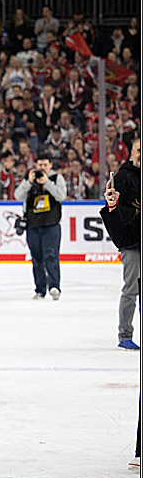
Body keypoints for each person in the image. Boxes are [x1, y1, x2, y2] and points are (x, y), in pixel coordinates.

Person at [100, 137, 140, 350]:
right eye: (138, 150)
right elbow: (115, 210)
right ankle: (125, 334)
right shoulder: (123, 177)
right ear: (131, 152)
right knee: (131, 289)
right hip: (132, 242)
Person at [13, 152, 66, 300]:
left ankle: (54, 286)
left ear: (50, 165)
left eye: (45, 165)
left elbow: (61, 196)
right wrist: (29, 183)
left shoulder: (56, 178)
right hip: (33, 225)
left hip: (51, 224)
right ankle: (40, 290)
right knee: (37, 259)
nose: (42, 167)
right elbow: (18, 196)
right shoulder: (30, 179)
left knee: (51, 256)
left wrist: (47, 183)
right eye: (40, 165)